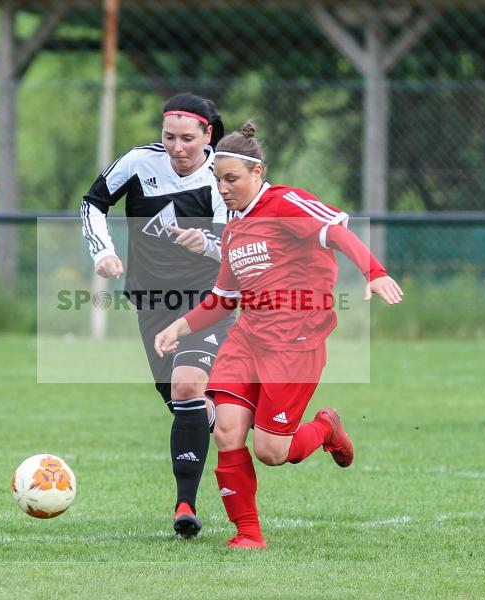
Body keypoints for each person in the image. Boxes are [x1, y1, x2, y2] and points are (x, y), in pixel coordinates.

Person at [154, 122, 403, 549]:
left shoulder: (286, 203)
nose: (224, 188)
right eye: (218, 180)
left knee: (272, 452)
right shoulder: (235, 230)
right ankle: (248, 534)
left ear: (257, 173)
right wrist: (179, 326)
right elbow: (223, 299)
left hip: (295, 347)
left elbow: (337, 232)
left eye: (232, 179)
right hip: (246, 341)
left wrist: (374, 272)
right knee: (227, 431)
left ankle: (325, 428)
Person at [80, 93, 231, 538]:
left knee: (187, 387)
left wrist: (206, 243)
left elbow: (241, 248)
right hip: (152, 301)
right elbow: (93, 202)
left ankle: (185, 505)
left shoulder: (224, 175)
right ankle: (275, 424)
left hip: (207, 298)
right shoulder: (138, 161)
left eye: (188, 138)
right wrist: (103, 253)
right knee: (189, 408)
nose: (177, 148)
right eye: (169, 137)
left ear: (207, 135)